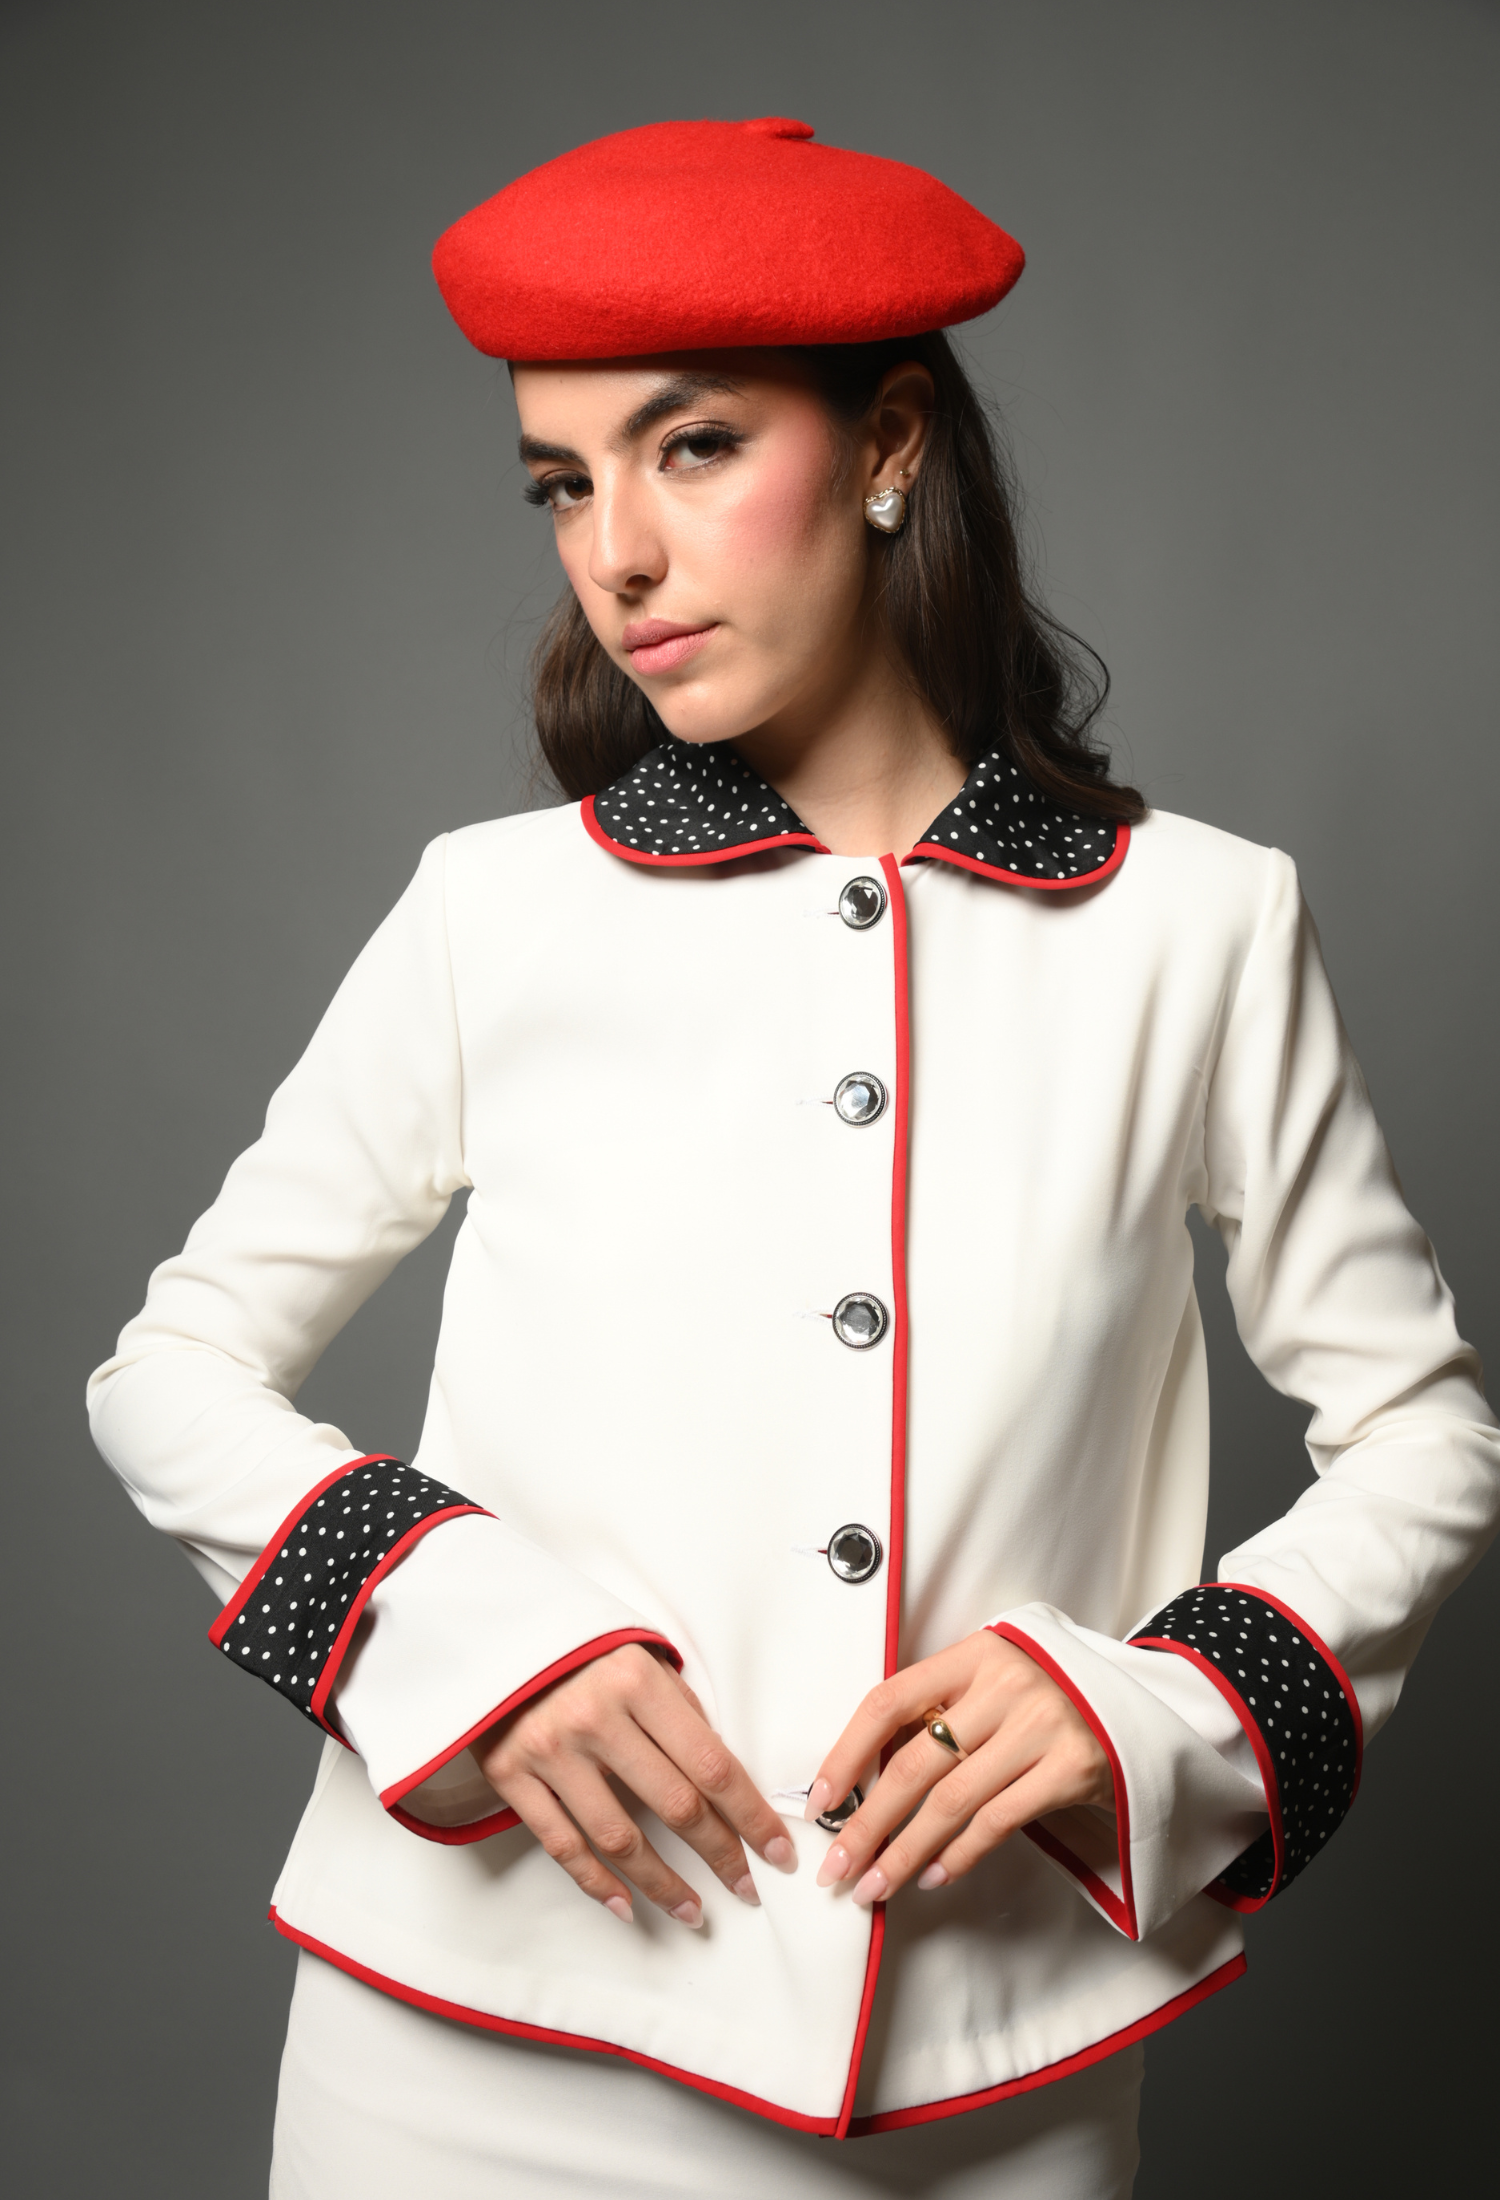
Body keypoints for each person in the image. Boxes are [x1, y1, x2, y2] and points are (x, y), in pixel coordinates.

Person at [87, 118, 1500, 2199]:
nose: (615, 554)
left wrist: (1161, 1706)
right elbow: (172, 1367)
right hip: (464, 2043)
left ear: (890, 443)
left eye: (690, 448)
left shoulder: (1199, 925)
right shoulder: (497, 912)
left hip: (991, 2069)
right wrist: (473, 1638)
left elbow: (1424, 1431)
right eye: (564, 483)